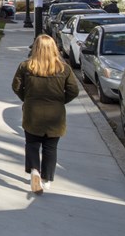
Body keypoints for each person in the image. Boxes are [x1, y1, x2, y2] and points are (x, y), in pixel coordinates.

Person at [11, 34, 79, 194]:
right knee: (50, 148)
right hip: (55, 115)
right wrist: (60, 101)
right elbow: (73, 91)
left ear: (36, 48)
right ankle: (46, 178)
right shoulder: (64, 69)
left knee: (32, 144)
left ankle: (34, 169)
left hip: (32, 112)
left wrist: (26, 98)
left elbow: (16, 86)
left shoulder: (26, 67)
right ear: (54, 49)